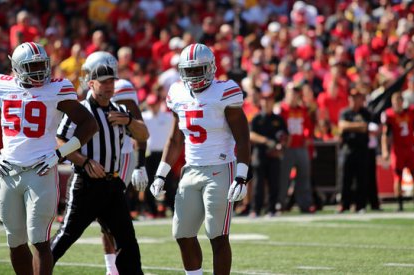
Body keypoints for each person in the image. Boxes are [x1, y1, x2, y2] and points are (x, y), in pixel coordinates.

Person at [0, 42, 98, 275]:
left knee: (39, 239)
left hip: (42, 171)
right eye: (32, 66)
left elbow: (89, 124)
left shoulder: (57, 88)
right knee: (14, 240)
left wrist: (60, 153)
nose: (40, 71)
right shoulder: (2, 86)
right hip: (8, 172)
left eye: (42, 64)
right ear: (16, 68)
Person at [149, 43, 251, 275]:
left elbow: (243, 139)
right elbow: (174, 140)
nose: (194, 76)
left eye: (199, 70)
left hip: (220, 168)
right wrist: (160, 174)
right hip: (190, 169)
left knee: (216, 234)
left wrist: (242, 176)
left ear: (211, 68)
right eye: (189, 70)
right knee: (182, 233)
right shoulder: (177, 92)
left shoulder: (225, 91)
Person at [51, 56, 149, 275]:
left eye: (111, 81)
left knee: (127, 242)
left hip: (113, 184)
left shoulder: (120, 109)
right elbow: (60, 140)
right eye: (103, 82)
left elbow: (144, 134)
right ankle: (37, 270)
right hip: (86, 184)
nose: (108, 86)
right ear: (91, 83)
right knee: (67, 235)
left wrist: (130, 121)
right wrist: (84, 161)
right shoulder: (81, 109)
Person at [82, 51, 149, 275]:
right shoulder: (92, 89)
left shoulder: (122, 87)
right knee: (104, 216)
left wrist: (140, 164)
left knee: (110, 213)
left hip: (122, 155)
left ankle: (116, 268)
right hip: (99, 157)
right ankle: (111, 268)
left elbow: (139, 125)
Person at [381, 91, 414, 211]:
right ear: (392, 103)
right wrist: (385, 150)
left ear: (402, 102)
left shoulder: (410, 112)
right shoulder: (389, 116)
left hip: (410, 148)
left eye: (399, 102)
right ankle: (399, 204)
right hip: (398, 149)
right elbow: (385, 135)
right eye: (395, 103)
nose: (398, 105)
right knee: (398, 177)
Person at [278, 82, 315, 213]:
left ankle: (305, 204)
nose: (294, 96)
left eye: (295, 93)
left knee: (304, 177)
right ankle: (279, 203)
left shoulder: (302, 110)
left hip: (301, 147)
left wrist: (307, 137)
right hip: (287, 148)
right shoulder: (281, 109)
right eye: (291, 93)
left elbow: (308, 127)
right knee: (283, 177)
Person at [249, 90, 287, 217]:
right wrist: (266, 141)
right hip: (260, 154)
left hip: (274, 154)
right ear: (261, 102)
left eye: (269, 100)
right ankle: (256, 209)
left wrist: (281, 146)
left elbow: (285, 135)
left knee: (274, 182)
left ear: (272, 102)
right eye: (264, 100)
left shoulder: (279, 119)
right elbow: (251, 134)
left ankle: (272, 209)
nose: (266, 103)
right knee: (258, 184)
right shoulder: (257, 118)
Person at [337, 89, 371, 213]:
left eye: (356, 97)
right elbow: (341, 126)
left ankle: (360, 205)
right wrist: (357, 126)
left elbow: (364, 127)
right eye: (351, 98)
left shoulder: (365, 113)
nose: (353, 100)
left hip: (362, 149)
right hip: (348, 148)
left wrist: (349, 126)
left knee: (361, 178)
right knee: (345, 178)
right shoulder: (345, 112)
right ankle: (344, 204)